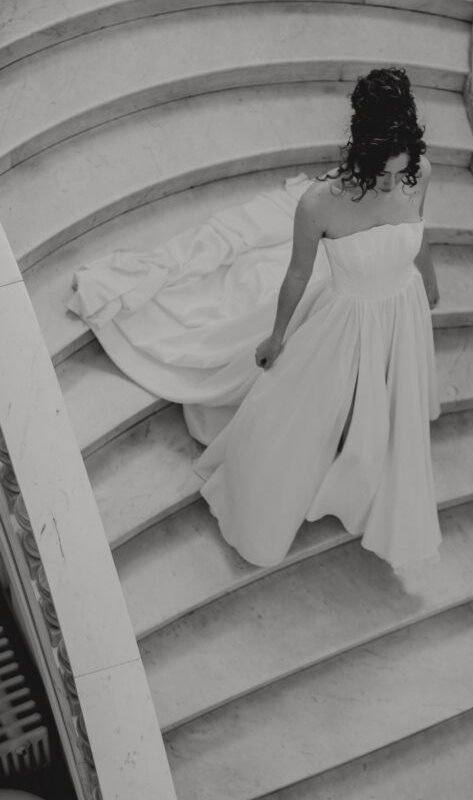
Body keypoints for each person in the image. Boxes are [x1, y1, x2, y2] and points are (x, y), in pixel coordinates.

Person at [69, 68, 442, 571]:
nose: (395, 184)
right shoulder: (319, 203)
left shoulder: (419, 174)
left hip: (402, 308)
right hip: (343, 321)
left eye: (402, 173)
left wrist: (429, 281)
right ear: (360, 153)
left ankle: (366, 473)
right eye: (384, 174)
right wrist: (276, 336)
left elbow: (420, 229)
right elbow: (296, 275)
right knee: (301, 418)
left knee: (385, 398)